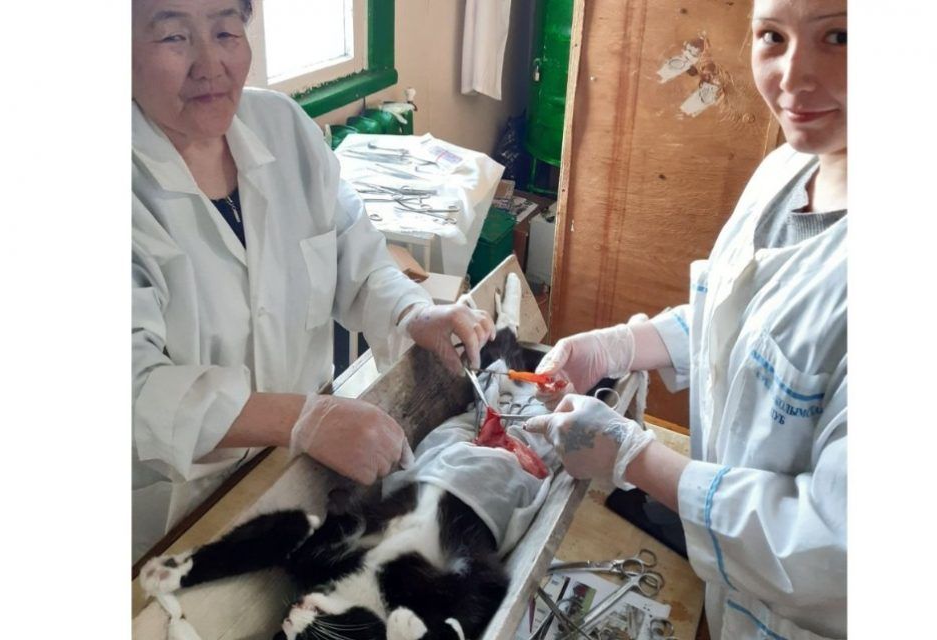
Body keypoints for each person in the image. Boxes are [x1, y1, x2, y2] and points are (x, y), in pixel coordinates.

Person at [524, 1, 847, 638]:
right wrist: (621, 346)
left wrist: (636, 458)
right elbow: (742, 318)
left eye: (839, 36)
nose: (793, 77)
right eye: (772, 37)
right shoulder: (789, 167)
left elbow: (835, 549)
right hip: (734, 592)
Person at [131, 0, 495, 562]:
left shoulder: (282, 126)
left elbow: (354, 250)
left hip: (300, 472)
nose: (211, 65)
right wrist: (304, 419)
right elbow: (133, 389)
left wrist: (412, 312)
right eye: (174, 37)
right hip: (179, 507)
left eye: (227, 31)